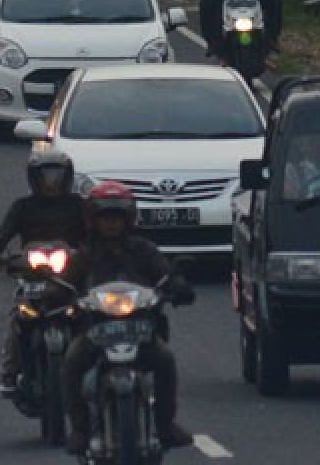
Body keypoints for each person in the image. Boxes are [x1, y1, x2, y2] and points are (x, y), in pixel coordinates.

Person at [61, 182, 194, 455]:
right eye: (105, 219)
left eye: (116, 218)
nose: (111, 225)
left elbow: (165, 273)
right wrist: (56, 292)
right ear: (93, 220)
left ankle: (165, 424)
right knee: (71, 362)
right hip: (95, 332)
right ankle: (80, 429)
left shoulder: (144, 250)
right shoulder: (84, 255)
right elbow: (64, 283)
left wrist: (178, 286)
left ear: (128, 219)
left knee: (165, 360)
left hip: (141, 331)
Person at [0, 152, 87, 396]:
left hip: (70, 276)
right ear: (34, 179)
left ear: (67, 178)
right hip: (32, 275)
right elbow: (4, 234)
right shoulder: (22, 207)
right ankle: (9, 373)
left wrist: (90, 255)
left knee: (91, 313)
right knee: (18, 317)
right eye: (45, 176)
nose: (51, 182)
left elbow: (94, 235)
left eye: (57, 176)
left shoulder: (79, 206)